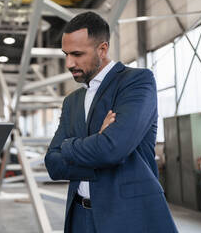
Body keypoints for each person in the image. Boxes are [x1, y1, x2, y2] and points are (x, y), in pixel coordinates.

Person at [44, 12, 178, 233]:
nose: (69, 63)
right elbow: (53, 164)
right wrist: (96, 141)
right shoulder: (72, 101)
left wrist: (69, 146)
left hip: (127, 217)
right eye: (66, 54)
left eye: (77, 54)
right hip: (79, 217)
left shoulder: (136, 82)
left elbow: (112, 149)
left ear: (102, 49)